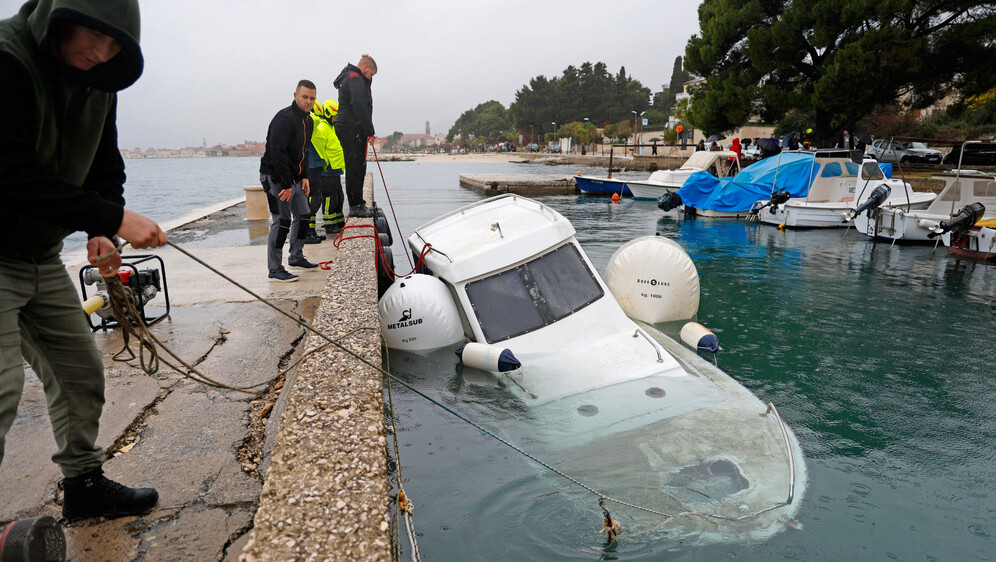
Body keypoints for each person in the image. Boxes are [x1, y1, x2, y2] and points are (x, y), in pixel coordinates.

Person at [1, 0, 166, 521]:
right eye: (95, 35)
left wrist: (101, 228)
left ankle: (85, 485)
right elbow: (12, 172)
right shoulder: (7, 59)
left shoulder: (100, 80)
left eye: (115, 44)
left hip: (39, 254)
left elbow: (104, 163)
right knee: (2, 389)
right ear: (61, 16)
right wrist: (114, 217)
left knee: (79, 371)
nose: (101, 52)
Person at [259, 80, 319, 281]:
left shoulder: (308, 121)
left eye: (312, 98)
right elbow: (278, 153)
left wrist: (305, 176)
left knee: (304, 214)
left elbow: (304, 151)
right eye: (305, 97)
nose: (308, 101)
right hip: (275, 177)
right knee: (282, 221)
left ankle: (296, 256)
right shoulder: (284, 119)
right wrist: (285, 184)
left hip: (295, 178)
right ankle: (275, 269)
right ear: (295, 95)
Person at [333, 54, 377, 218]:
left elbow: (363, 96)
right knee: (355, 166)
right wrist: (370, 131)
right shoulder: (354, 78)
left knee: (359, 165)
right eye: (371, 74)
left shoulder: (354, 77)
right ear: (365, 67)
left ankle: (358, 202)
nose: (371, 78)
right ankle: (355, 206)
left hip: (351, 127)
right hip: (351, 127)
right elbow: (360, 105)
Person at [304, 99, 346, 243]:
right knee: (321, 198)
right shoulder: (320, 126)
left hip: (330, 167)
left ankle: (334, 222)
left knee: (336, 196)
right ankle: (322, 227)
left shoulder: (328, 127)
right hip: (323, 168)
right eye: (335, 115)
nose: (337, 118)